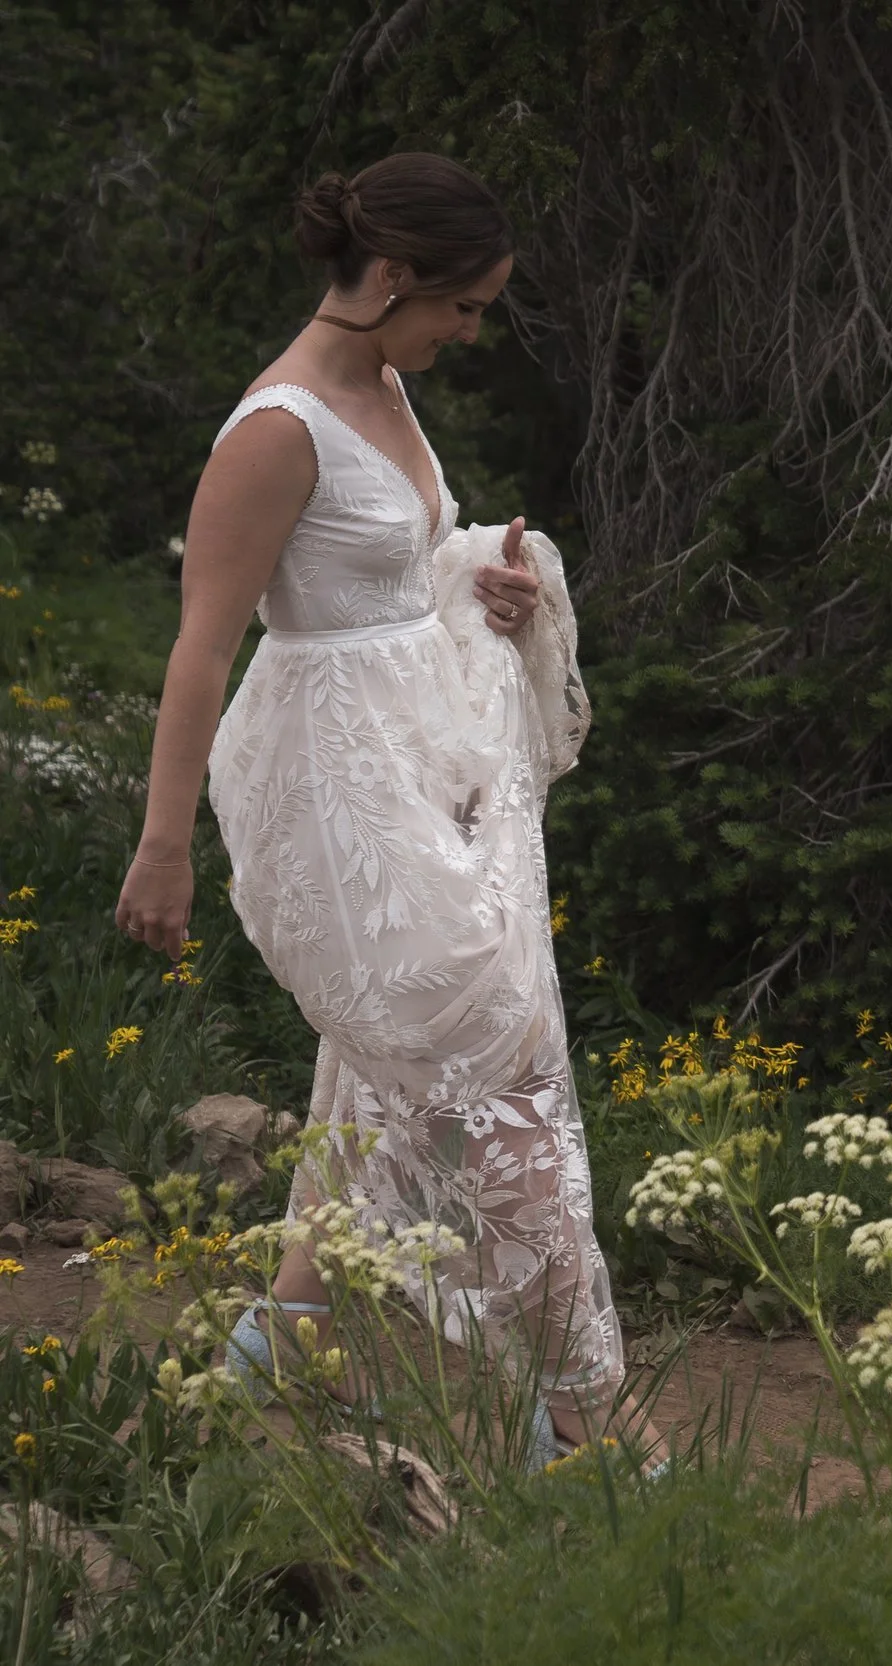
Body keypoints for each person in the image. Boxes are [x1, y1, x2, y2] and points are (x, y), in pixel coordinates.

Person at [114, 153, 638, 1467]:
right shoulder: (276, 430)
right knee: (502, 1077)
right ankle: (588, 1425)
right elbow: (203, 647)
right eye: (461, 306)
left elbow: (396, 579)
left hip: (438, 769)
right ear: (394, 277)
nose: (469, 333)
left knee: (390, 1072)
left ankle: (273, 1345)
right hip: (349, 798)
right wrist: (164, 845)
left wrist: (485, 589)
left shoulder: (386, 382)